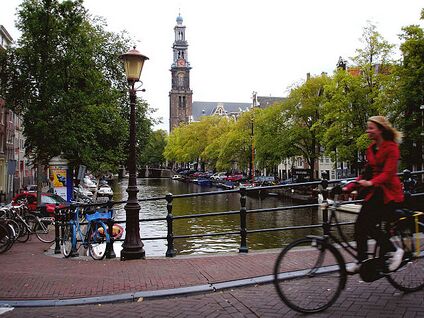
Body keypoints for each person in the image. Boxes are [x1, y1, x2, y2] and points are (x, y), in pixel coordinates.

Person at [343, 116, 404, 273]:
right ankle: (361, 260)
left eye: (371, 128)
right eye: (367, 127)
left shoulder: (391, 148)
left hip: (389, 194)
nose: (367, 130)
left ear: (380, 130)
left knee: (368, 225)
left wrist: (371, 183)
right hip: (375, 193)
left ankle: (395, 251)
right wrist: (348, 186)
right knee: (359, 226)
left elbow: (389, 173)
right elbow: (366, 173)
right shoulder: (371, 149)